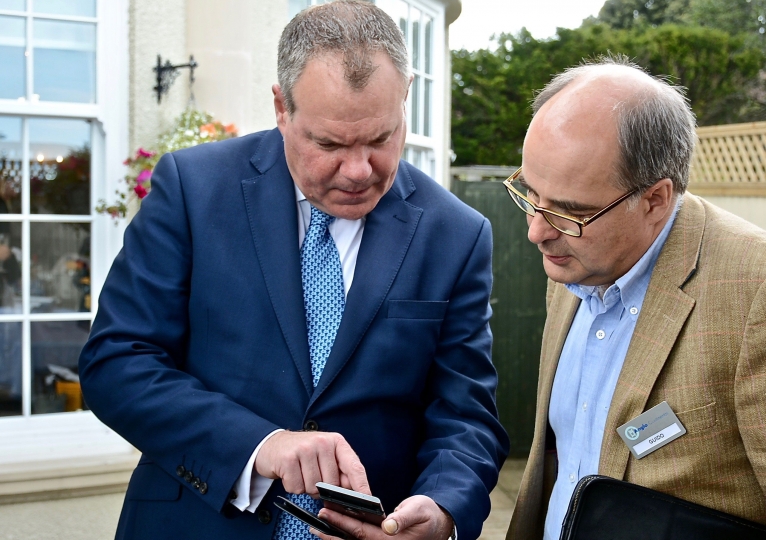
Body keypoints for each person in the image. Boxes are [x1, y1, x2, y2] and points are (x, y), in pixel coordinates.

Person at [78, 2, 508, 539]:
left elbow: (466, 417)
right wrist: (260, 445)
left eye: (380, 139)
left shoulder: (458, 234)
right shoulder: (192, 188)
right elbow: (116, 362)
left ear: (406, 96)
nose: (358, 170)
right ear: (282, 107)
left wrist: (443, 508)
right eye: (329, 143)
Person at [504, 57, 766, 540]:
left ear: (655, 199)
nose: (536, 232)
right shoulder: (574, 264)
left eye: (570, 212)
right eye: (530, 195)